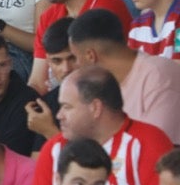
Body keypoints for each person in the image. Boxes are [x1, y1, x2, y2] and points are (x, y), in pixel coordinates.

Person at [68, 8, 180, 143]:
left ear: (91, 56)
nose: (74, 67)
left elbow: (158, 148)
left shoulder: (159, 76)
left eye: (75, 58)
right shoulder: (104, 85)